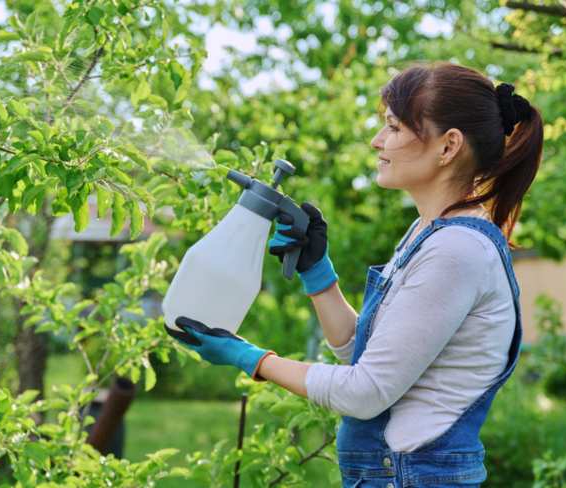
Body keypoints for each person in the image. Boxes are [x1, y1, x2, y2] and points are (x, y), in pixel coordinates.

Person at [166, 61, 544, 487]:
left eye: (394, 128)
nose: (376, 140)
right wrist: (318, 274)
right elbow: (368, 360)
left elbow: (364, 393)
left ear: (448, 146)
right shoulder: (427, 234)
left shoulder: (456, 251)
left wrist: (247, 357)